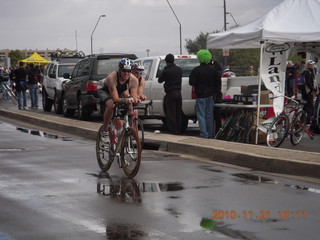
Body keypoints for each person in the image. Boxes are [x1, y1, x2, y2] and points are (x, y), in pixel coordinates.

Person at [98, 58, 139, 134]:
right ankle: (105, 130)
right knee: (111, 105)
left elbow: (133, 97)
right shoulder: (112, 77)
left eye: (129, 71)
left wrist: (135, 100)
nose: (126, 73)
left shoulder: (134, 80)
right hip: (105, 90)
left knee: (119, 123)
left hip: (119, 91)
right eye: (124, 71)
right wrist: (125, 100)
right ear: (119, 70)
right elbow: (115, 99)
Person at [189, 49, 221, 138]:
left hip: (200, 95)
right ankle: (210, 134)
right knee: (209, 115)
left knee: (201, 115)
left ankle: (204, 134)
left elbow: (191, 82)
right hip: (211, 95)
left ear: (199, 58)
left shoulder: (195, 70)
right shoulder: (213, 70)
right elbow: (218, 82)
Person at [158, 54, 182, 135]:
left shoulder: (166, 71)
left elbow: (160, 80)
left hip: (170, 93)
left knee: (171, 112)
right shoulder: (179, 69)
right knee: (178, 112)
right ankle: (179, 129)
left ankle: (174, 130)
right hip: (179, 92)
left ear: (166, 61)